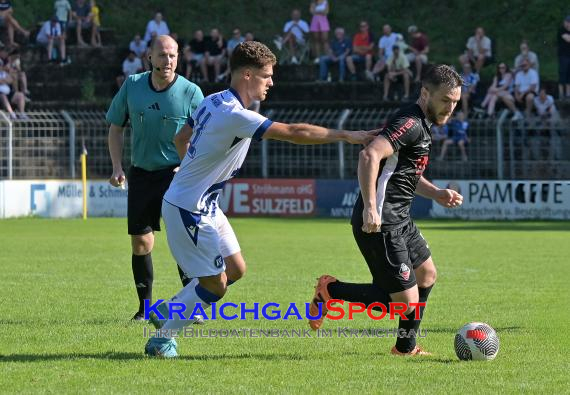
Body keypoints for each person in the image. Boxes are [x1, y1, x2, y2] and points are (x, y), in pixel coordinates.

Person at [143, 41, 375, 357]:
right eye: (266, 76)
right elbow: (294, 132)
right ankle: (162, 339)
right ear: (248, 75)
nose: (271, 82)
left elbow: (181, 138)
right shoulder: (234, 115)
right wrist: (348, 135)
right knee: (215, 285)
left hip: (203, 202)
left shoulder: (213, 100)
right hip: (189, 208)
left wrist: (194, 170)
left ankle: (170, 309)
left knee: (236, 269)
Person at [308, 64, 464, 356]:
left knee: (426, 275)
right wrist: (370, 208)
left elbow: (406, 175)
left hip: (401, 219)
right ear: (425, 93)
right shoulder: (411, 122)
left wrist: (437, 193)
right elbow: (370, 155)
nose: (451, 107)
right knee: (403, 302)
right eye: (446, 100)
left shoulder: (423, 123)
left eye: (455, 101)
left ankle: (406, 348)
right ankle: (331, 290)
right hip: (381, 223)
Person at [106, 35, 205, 321]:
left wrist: (191, 167)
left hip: (176, 175)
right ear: (149, 57)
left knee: (182, 242)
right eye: (162, 55)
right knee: (141, 243)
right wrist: (116, 167)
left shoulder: (191, 92)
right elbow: (115, 127)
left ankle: (192, 306)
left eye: (173, 55)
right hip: (141, 173)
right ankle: (144, 309)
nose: (168, 60)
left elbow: (205, 136)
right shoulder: (133, 85)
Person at [558, 15, 570, 99]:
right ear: (564, 22)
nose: (568, 24)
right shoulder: (561, 30)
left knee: (569, 75)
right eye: (567, 22)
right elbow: (568, 39)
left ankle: (568, 94)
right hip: (563, 56)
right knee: (563, 74)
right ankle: (561, 94)